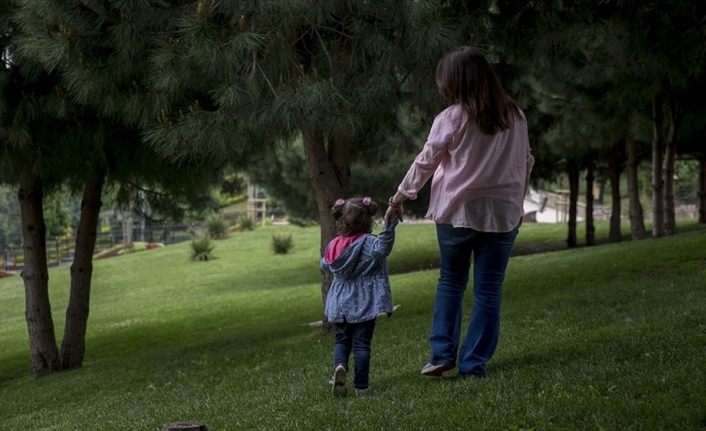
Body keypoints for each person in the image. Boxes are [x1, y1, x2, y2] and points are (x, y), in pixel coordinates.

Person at [385, 46, 534, 379]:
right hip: (502, 214)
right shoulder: (516, 115)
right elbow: (525, 163)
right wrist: (518, 203)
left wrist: (400, 196)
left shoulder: (452, 117)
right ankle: (473, 363)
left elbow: (427, 160)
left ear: (454, 82)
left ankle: (441, 355)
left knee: (451, 281)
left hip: (458, 212)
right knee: (489, 289)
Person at [322, 197, 398, 397]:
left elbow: (325, 264)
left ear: (342, 220)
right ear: (367, 220)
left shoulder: (333, 245)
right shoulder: (369, 243)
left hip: (339, 303)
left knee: (341, 340)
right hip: (364, 302)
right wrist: (389, 227)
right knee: (362, 345)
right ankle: (362, 387)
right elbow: (384, 249)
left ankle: (340, 366)